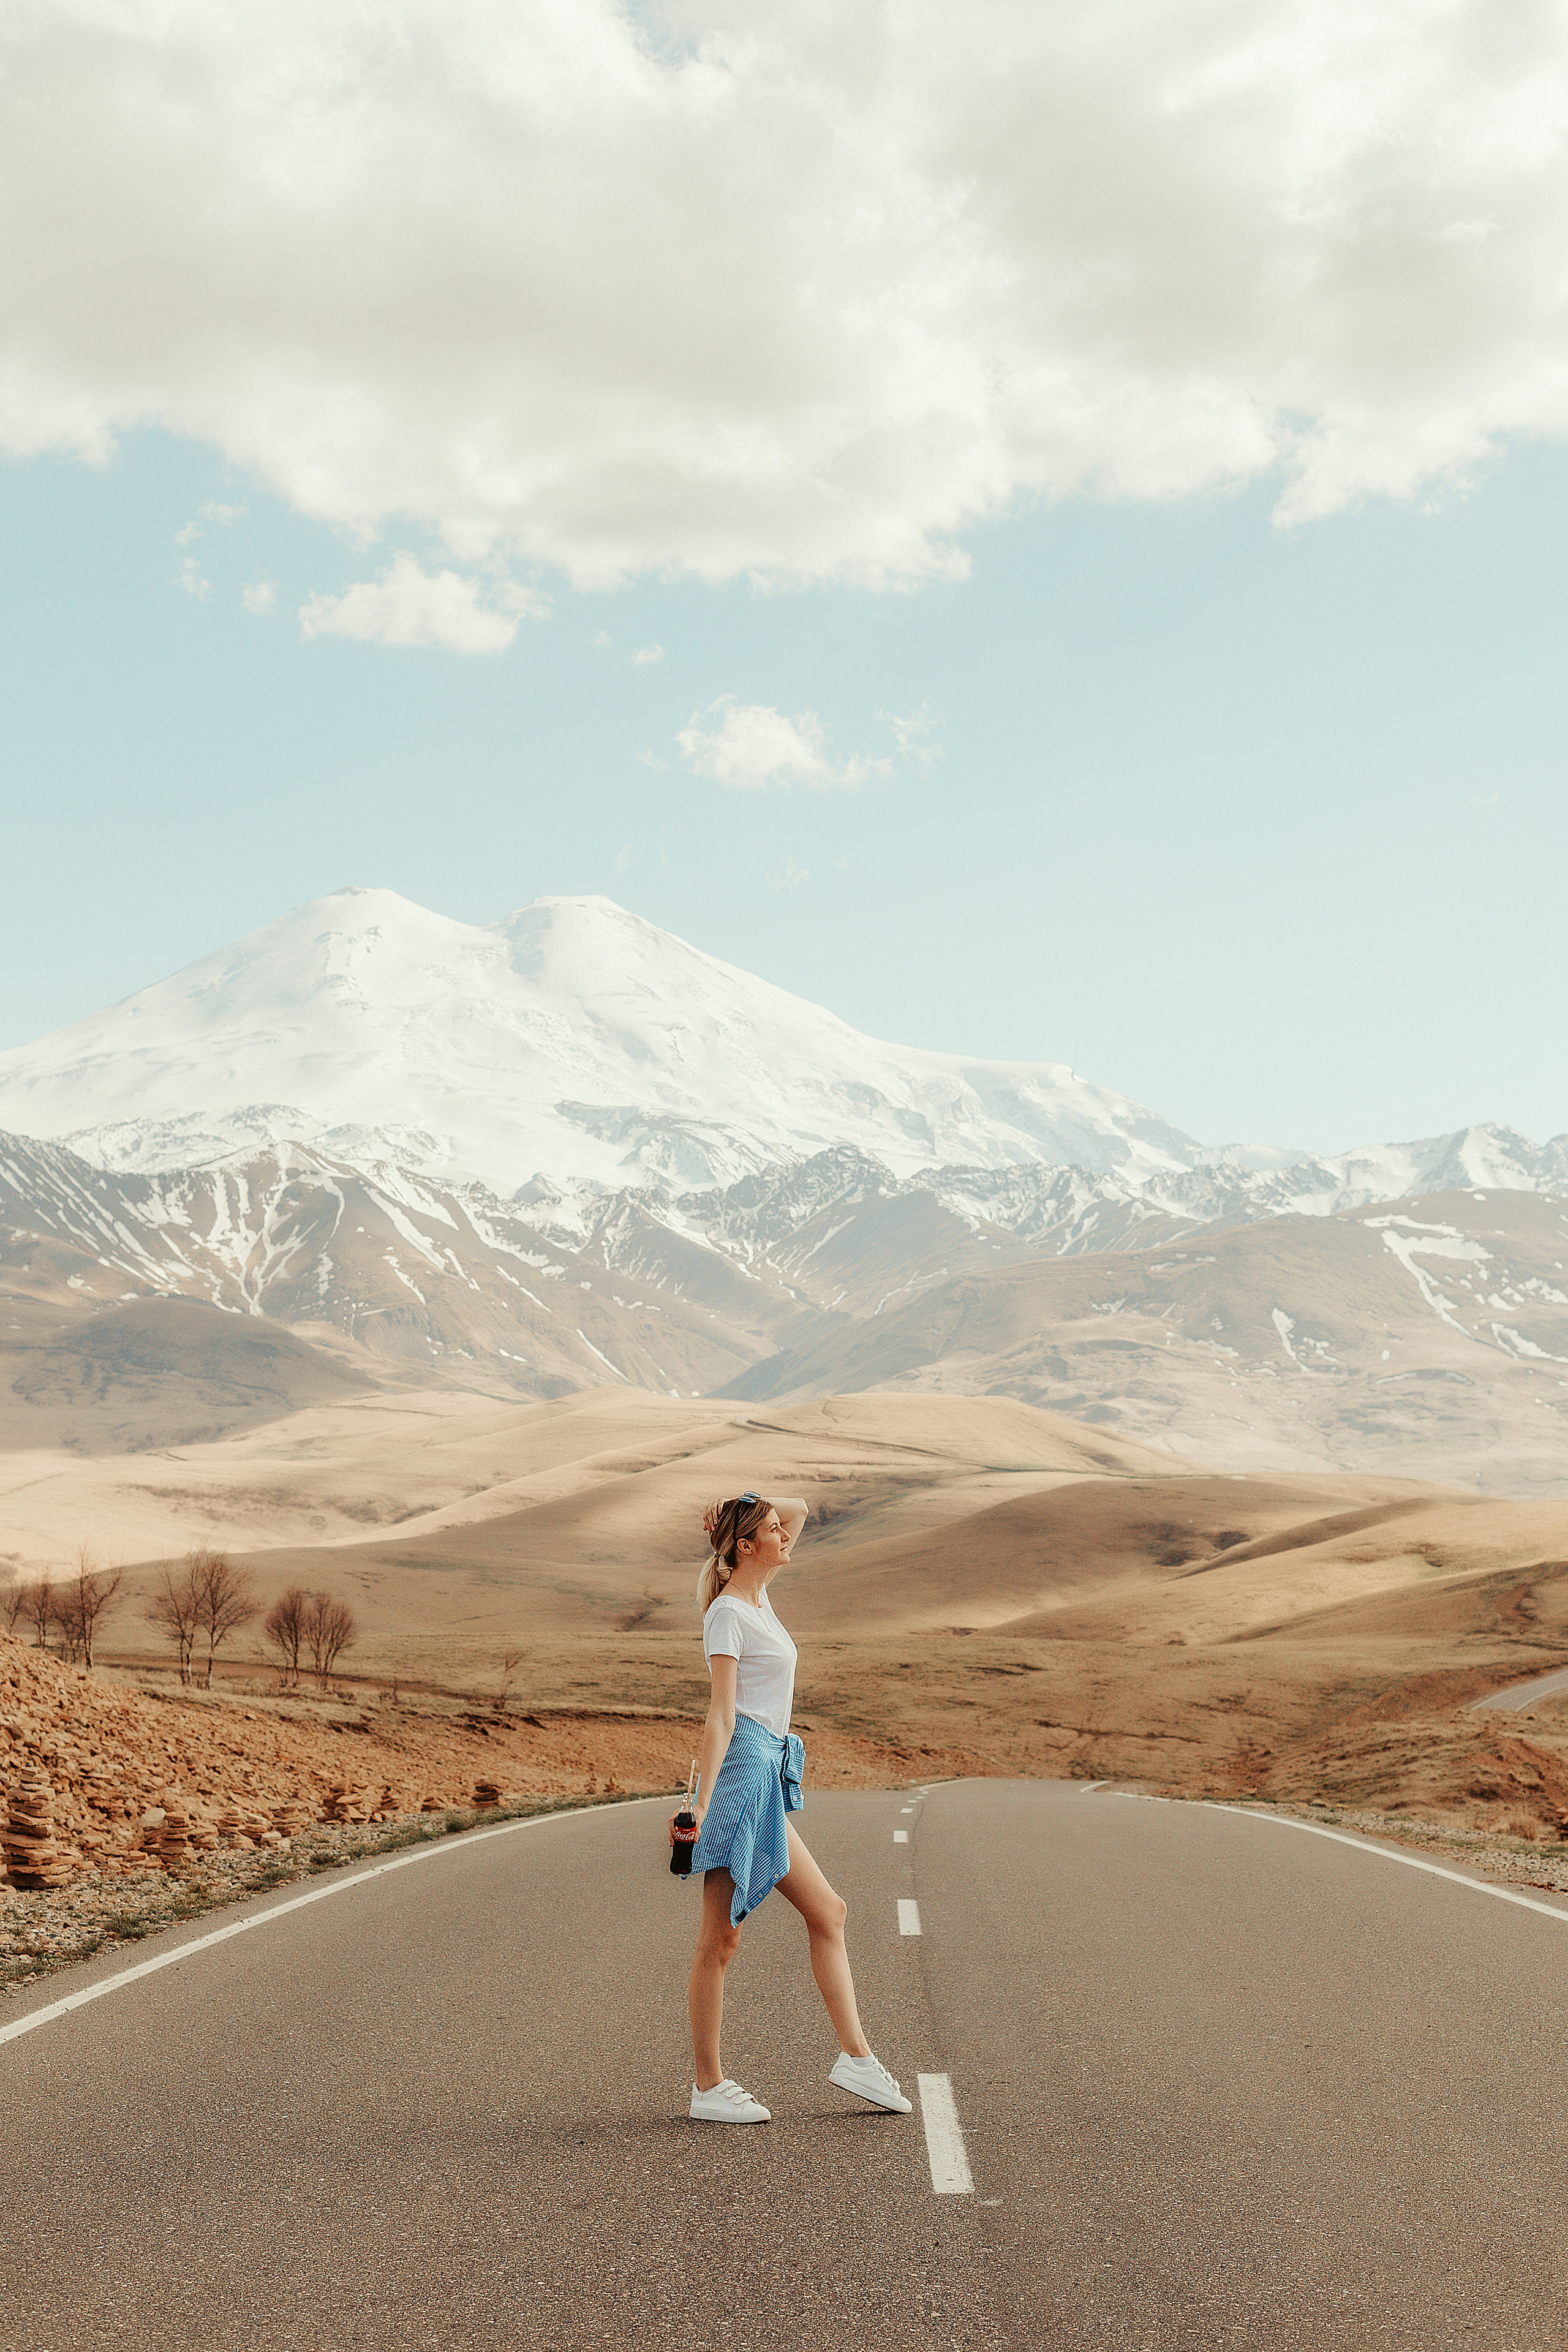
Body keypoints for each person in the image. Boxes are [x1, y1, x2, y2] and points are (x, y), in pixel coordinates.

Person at [672, 1488, 912, 2125]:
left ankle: (856, 2060)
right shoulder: (728, 1613)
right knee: (720, 1939)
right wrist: (697, 1808)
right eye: (770, 1531)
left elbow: (801, 1504)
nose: (786, 1535)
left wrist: (733, 1504)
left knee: (828, 1913)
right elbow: (721, 1715)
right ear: (746, 1547)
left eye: (779, 1530)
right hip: (741, 1770)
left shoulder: (760, 1599)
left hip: (767, 1768)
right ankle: (707, 2086)